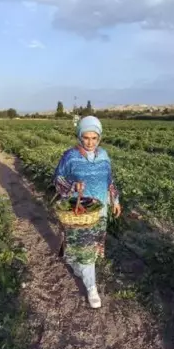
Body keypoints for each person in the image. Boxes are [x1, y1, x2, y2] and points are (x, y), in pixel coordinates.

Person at [53, 116, 122, 309]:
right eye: (86, 137)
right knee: (86, 248)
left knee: (90, 247)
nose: (90, 142)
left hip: (99, 211)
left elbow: (109, 181)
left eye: (94, 138)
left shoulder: (104, 156)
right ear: (79, 136)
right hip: (80, 212)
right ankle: (92, 288)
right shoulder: (70, 157)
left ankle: (77, 265)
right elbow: (57, 180)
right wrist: (73, 185)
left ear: (99, 138)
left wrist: (115, 199)